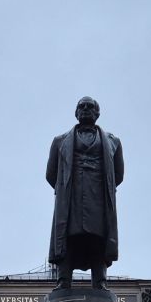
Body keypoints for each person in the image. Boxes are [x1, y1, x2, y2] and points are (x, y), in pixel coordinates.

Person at [46, 97, 124, 290]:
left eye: (91, 107)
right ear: (76, 112)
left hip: (98, 197)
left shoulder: (114, 142)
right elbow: (51, 174)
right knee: (68, 236)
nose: (86, 109)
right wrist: (66, 187)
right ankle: (63, 281)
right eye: (82, 106)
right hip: (70, 199)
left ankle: (100, 282)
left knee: (98, 237)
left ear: (97, 113)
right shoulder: (59, 141)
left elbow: (118, 174)